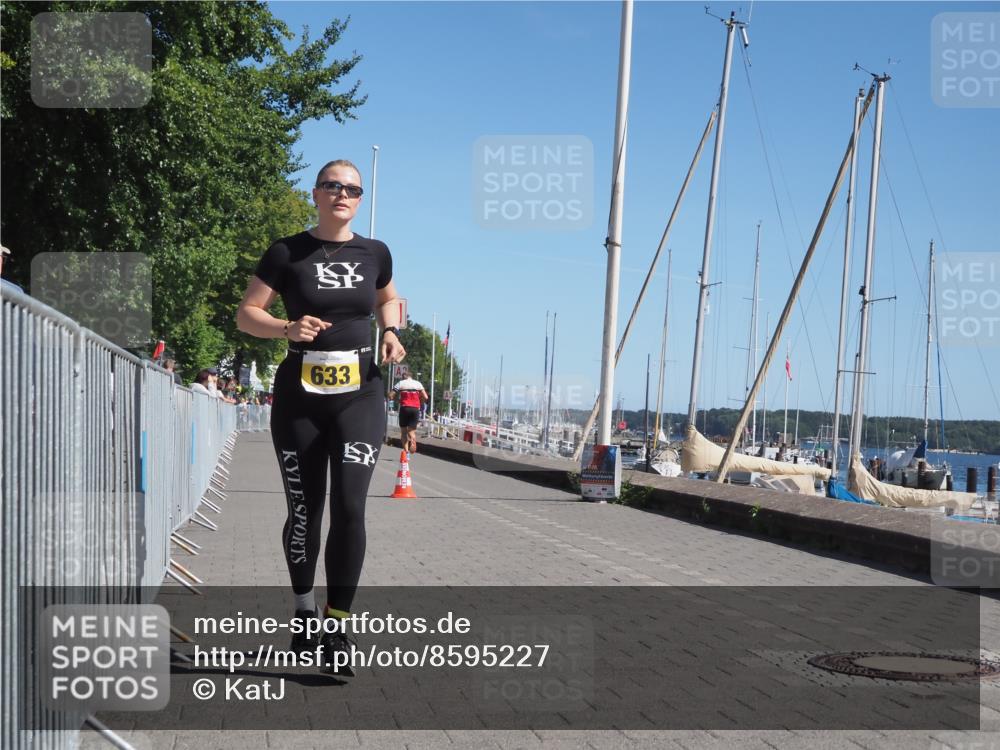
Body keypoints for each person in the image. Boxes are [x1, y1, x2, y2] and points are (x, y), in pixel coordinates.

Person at [236, 158, 405, 677]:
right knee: (306, 512)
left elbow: (389, 299)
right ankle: (305, 609)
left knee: (351, 507)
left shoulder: (375, 251)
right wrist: (286, 327)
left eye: (352, 189)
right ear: (315, 193)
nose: (343, 194)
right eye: (333, 185)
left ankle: (336, 627)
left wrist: (395, 332)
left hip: (360, 394)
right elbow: (247, 314)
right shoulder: (287, 251)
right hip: (300, 398)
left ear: (360, 198)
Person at [388, 376, 428, 454]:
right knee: (411, 432)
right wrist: (420, 402)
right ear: (411, 376)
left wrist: (398, 400)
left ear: (404, 377)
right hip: (415, 409)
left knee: (403, 432)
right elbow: (426, 397)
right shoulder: (418, 384)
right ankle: (413, 439)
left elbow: (390, 395)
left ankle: (406, 452)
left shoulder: (401, 383)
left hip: (404, 408)